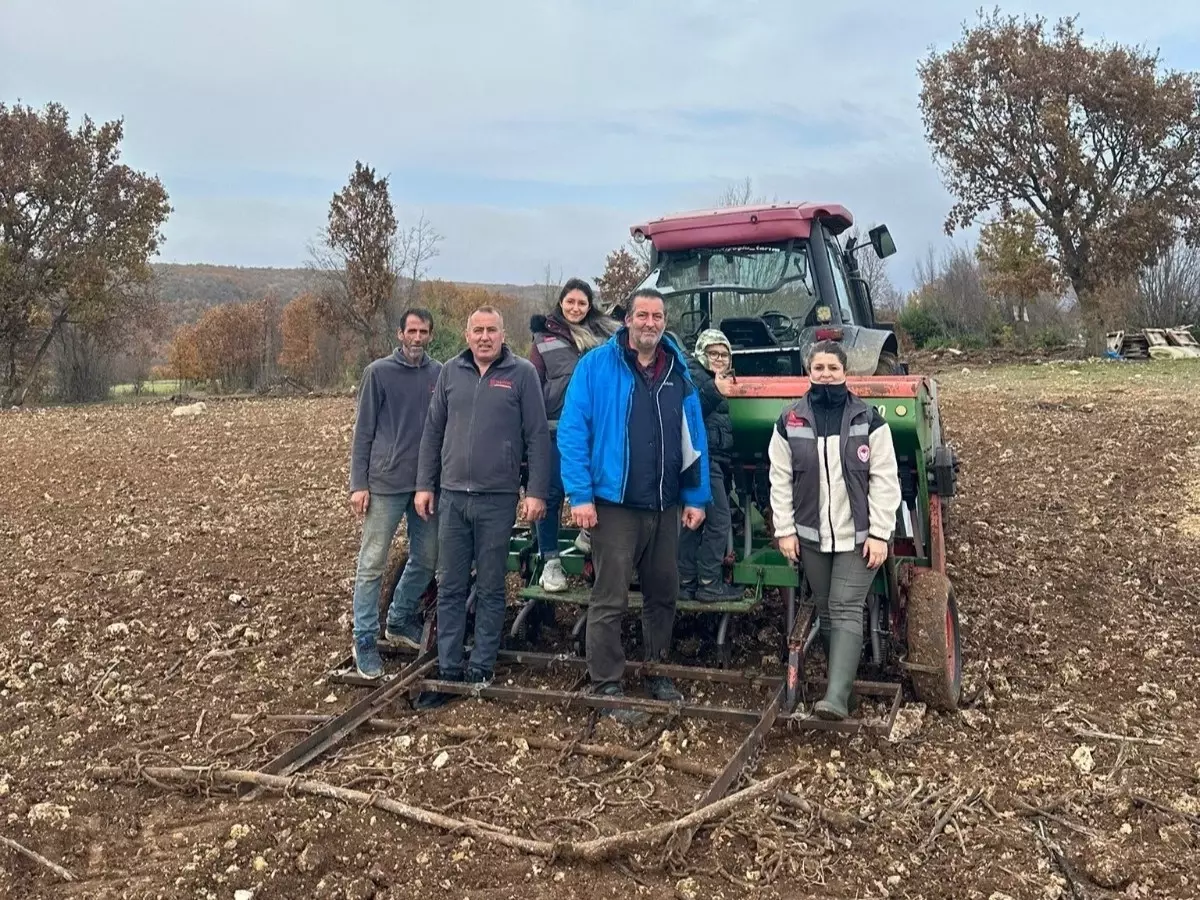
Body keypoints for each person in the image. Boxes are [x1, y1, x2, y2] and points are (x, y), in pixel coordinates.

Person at [557, 288, 710, 725]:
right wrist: (581, 495)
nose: (649, 323)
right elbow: (572, 432)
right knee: (610, 596)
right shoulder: (596, 367)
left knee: (663, 594)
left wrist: (696, 496)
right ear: (627, 320)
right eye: (641, 315)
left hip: (663, 505)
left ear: (665, 322)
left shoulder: (676, 372)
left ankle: (657, 672)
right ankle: (607, 684)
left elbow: (693, 439)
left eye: (656, 316)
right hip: (614, 505)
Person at [413, 306, 550, 708]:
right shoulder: (450, 373)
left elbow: (538, 437)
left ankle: (482, 667)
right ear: (467, 333)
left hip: (497, 499)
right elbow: (432, 431)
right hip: (453, 497)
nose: (485, 337)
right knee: (452, 585)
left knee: (490, 586)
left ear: (502, 334)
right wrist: (425, 484)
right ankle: (449, 668)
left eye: (492, 330)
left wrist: (537, 491)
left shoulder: (522, 374)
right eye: (478, 330)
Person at [767, 340, 902, 720]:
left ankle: (836, 700)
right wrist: (785, 530)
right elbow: (779, 480)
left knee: (844, 607)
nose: (825, 373)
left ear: (845, 372)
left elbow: (885, 480)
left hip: (858, 537)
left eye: (832, 367)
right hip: (810, 537)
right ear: (808, 371)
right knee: (826, 612)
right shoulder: (790, 420)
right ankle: (843, 689)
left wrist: (879, 533)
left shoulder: (868, 420)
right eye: (819, 367)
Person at [347, 309, 442, 680]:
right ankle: (365, 638)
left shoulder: (439, 374)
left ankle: (399, 618)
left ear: (430, 335)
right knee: (371, 563)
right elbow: (363, 432)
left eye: (423, 332)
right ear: (400, 333)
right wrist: (359, 484)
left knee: (427, 557)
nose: (417, 338)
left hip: (424, 486)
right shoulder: (378, 373)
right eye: (411, 331)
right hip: (385, 483)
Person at [527, 278, 618, 592]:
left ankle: (588, 537)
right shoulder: (543, 340)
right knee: (552, 493)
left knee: (599, 486)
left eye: (582, 303)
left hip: (598, 426)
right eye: (571, 302)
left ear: (590, 306)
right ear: (561, 303)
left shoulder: (607, 335)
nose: (576, 308)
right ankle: (550, 561)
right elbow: (532, 384)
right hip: (555, 427)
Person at [678, 329, 742, 602]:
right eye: (713, 353)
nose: (719, 358)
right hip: (705, 460)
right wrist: (715, 390)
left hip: (715, 459)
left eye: (724, 354)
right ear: (701, 353)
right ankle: (708, 582)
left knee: (696, 521)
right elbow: (691, 413)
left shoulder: (717, 380)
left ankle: (686, 580)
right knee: (719, 522)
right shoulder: (694, 378)